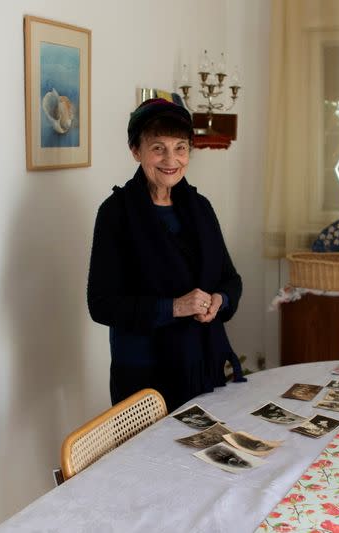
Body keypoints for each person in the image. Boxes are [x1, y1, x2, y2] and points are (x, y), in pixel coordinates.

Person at [87, 98, 245, 410]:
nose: (170, 159)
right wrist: (175, 307)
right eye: (158, 147)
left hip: (201, 366)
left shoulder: (201, 208)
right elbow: (101, 305)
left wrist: (219, 301)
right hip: (142, 375)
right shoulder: (115, 214)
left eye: (180, 147)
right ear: (136, 151)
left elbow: (230, 279)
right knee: (145, 459)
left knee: (199, 456)